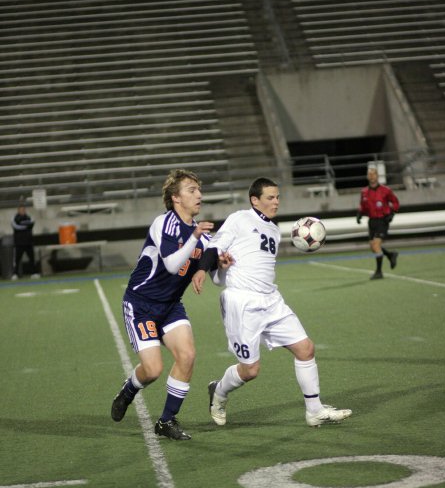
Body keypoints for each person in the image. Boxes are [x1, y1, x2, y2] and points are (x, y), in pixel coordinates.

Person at [192, 176, 352, 429]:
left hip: (272, 300)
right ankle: (219, 392)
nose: (276, 202)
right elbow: (214, 249)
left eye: (278, 197)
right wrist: (202, 270)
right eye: (270, 197)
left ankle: (314, 411)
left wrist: (221, 270)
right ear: (255, 200)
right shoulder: (240, 218)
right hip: (243, 303)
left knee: (305, 349)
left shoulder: (274, 231)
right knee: (250, 370)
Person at [111, 168, 222, 440]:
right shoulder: (165, 223)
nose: (199, 195)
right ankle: (128, 391)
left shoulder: (203, 237)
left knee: (187, 355)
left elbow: (217, 277)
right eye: (191, 190)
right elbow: (172, 265)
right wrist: (195, 237)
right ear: (176, 198)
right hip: (141, 304)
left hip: (171, 306)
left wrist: (219, 265)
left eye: (199, 190)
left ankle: (166, 420)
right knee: (153, 370)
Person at [357, 164, 400, 280]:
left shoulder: (386, 190)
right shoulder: (364, 192)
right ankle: (391, 255)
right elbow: (363, 206)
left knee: (376, 245)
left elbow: (395, 202)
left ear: (377, 176)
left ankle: (379, 272)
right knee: (373, 247)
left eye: (373, 174)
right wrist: (359, 214)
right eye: (369, 174)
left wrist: (392, 214)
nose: (371, 176)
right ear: (367, 176)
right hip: (372, 222)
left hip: (382, 220)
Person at [11, 203, 40, 279]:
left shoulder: (28, 217)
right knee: (17, 260)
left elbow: (32, 224)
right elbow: (16, 227)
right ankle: (15, 274)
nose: (22, 211)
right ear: (18, 210)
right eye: (21, 209)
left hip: (28, 242)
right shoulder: (15, 218)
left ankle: (34, 273)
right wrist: (26, 226)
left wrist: (25, 225)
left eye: (24, 209)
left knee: (32, 259)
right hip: (19, 243)